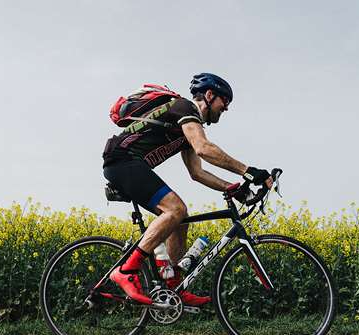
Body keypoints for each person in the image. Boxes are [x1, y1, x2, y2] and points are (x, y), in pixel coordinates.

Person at [102, 73, 273, 306]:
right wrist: (248, 171)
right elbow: (203, 148)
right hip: (122, 161)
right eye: (225, 102)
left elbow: (197, 172)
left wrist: (232, 188)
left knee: (181, 222)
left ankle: (173, 287)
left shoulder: (186, 125)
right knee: (176, 209)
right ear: (210, 95)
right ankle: (126, 270)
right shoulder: (185, 108)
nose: (227, 108)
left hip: (130, 165)